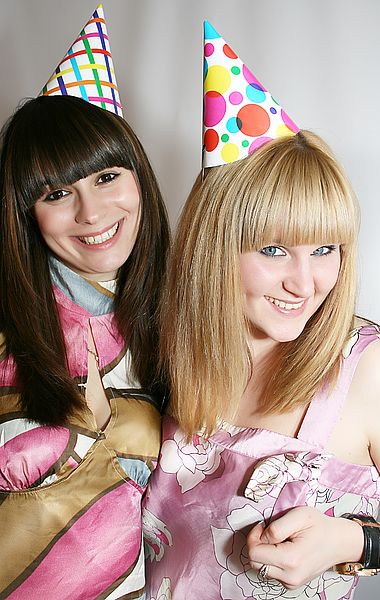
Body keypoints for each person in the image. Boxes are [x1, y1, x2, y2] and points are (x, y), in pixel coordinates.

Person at [143, 21, 380, 600]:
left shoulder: (369, 367)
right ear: (214, 249)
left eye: (325, 249)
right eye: (274, 250)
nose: (305, 283)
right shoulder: (166, 354)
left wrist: (355, 543)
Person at [0, 9, 170, 598]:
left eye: (105, 178)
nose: (91, 215)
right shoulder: (9, 326)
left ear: (139, 178)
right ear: (26, 212)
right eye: (56, 193)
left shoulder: (183, 306)